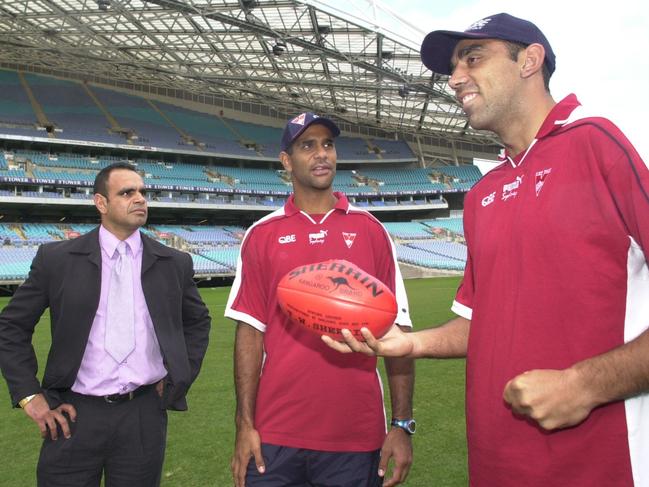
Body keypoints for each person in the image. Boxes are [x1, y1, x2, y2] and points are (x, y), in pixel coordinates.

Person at [323, 12, 649, 487]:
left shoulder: (600, 145)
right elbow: (481, 322)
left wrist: (585, 385)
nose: (455, 79)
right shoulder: (483, 193)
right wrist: (410, 343)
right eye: (453, 67)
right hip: (495, 465)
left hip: (600, 465)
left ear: (529, 61)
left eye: (472, 59)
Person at [225, 112, 415, 487]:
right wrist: (244, 426)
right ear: (286, 161)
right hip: (275, 434)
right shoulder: (261, 235)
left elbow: (400, 333)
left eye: (327, 144)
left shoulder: (370, 230)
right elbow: (250, 333)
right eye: (307, 146)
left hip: (357, 434)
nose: (321, 154)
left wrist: (402, 424)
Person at [0, 162, 211, 486]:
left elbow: (198, 321)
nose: (139, 198)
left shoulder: (173, 262)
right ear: (101, 203)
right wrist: (30, 395)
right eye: (127, 192)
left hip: (143, 413)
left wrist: (180, 375)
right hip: (73, 412)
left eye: (143, 191)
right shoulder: (57, 259)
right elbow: (11, 327)